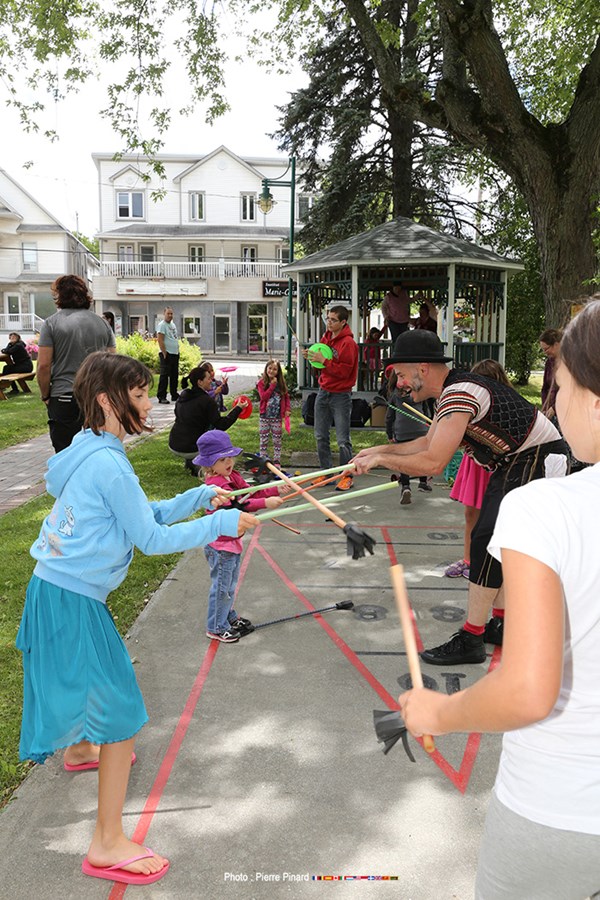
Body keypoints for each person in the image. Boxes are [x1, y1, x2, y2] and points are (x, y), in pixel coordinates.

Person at [16, 351, 257, 886]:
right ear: (107, 400)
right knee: (122, 714)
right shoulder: (107, 461)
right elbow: (149, 540)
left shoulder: (91, 449)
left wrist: (197, 496)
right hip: (72, 597)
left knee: (94, 701)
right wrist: (219, 522)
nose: (152, 403)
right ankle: (105, 843)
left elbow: (136, 515)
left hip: (54, 588)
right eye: (142, 394)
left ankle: (80, 747)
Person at [398, 298, 600, 900]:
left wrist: (438, 713)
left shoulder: (546, 507)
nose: (554, 402)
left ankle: (475, 629)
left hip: (564, 805)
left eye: (558, 385)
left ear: (594, 398)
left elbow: (527, 691)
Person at [353, 329, 568, 665]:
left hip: (536, 458)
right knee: (498, 543)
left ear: (422, 369)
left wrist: (381, 459)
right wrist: (376, 450)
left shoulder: (459, 394)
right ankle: (500, 623)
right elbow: (427, 443)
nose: (399, 383)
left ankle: (472, 636)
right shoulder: (452, 393)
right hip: (519, 460)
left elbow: (434, 462)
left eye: (400, 374)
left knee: (487, 539)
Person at [196, 431, 286, 643]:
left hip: (231, 543)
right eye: (222, 459)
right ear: (210, 465)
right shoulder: (215, 486)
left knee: (229, 585)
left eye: (230, 457)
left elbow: (251, 492)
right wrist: (266, 504)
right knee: (222, 587)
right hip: (220, 546)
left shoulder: (232, 476)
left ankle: (227, 616)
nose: (229, 462)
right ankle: (216, 627)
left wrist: (275, 489)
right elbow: (239, 505)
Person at [443, 360, 512, 589]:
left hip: (496, 467)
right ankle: (468, 559)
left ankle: (494, 563)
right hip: (474, 463)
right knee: (470, 514)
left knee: (495, 518)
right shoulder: (471, 401)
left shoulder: (507, 403)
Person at [37, 275, 116, 453]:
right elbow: (112, 364)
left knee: (66, 454)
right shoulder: (103, 324)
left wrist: (45, 395)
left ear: (59, 295)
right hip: (96, 396)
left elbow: (43, 366)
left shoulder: (51, 324)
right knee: (95, 451)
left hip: (64, 396)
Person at [302, 305, 358, 492]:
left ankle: (346, 475)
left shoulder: (348, 344)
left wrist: (324, 361)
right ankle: (326, 473)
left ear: (343, 322)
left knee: (343, 439)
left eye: (333, 320)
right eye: (328, 319)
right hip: (323, 391)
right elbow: (321, 365)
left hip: (341, 395)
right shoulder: (326, 338)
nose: (329, 323)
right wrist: (311, 357)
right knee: (320, 435)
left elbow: (344, 371)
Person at [168, 363, 247, 473]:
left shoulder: (183, 396)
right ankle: (198, 465)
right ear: (200, 382)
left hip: (174, 443)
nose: (211, 380)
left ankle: (190, 461)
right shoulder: (207, 401)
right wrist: (238, 409)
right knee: (217, 441)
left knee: (194, 430)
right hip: (190, 448)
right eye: (209, 378)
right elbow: (221, 425)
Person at [385, 370, 431, 504]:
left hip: (402, 431)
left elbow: (389, 417)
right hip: (420, 430)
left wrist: (389, 433)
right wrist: (428, 424)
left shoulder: (394, 396)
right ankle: (423, 482)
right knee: (421, 456)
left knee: (403, 460)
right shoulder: (419, 392)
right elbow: (426, 412)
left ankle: (405, 486)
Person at [257, 359, 291, 468]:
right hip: (265, 416)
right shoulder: (261, 383)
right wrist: (271, 386)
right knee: (264, 438)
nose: (271, 371)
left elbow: (286, 397)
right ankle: (263, 459)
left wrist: (287, 409)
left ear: (278, 371)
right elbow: (264, 397)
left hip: (277, 417)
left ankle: (277, 460)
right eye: (270, 368)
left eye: (275, 369)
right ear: (266, 369)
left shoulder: (281, 384)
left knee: (277, 439)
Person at [156, 307, 180, 404]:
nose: (170, 315)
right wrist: (164, 352)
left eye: (171, 314)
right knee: (164, 376)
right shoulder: (162, 325)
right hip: (167, 354)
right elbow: (160, 339)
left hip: (175, 353)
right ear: (164, 314)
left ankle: (174, 394)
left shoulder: (172, 325)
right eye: (168, 314)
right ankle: (162, 396)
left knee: (174, 375)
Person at [539, 327, 562, 419]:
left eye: (546, 349)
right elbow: (545, 387)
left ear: (556, 345)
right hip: (550, 414)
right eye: (543, 350)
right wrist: (545, 406)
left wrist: (555, 407)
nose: (545, 352)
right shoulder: (549, 363)